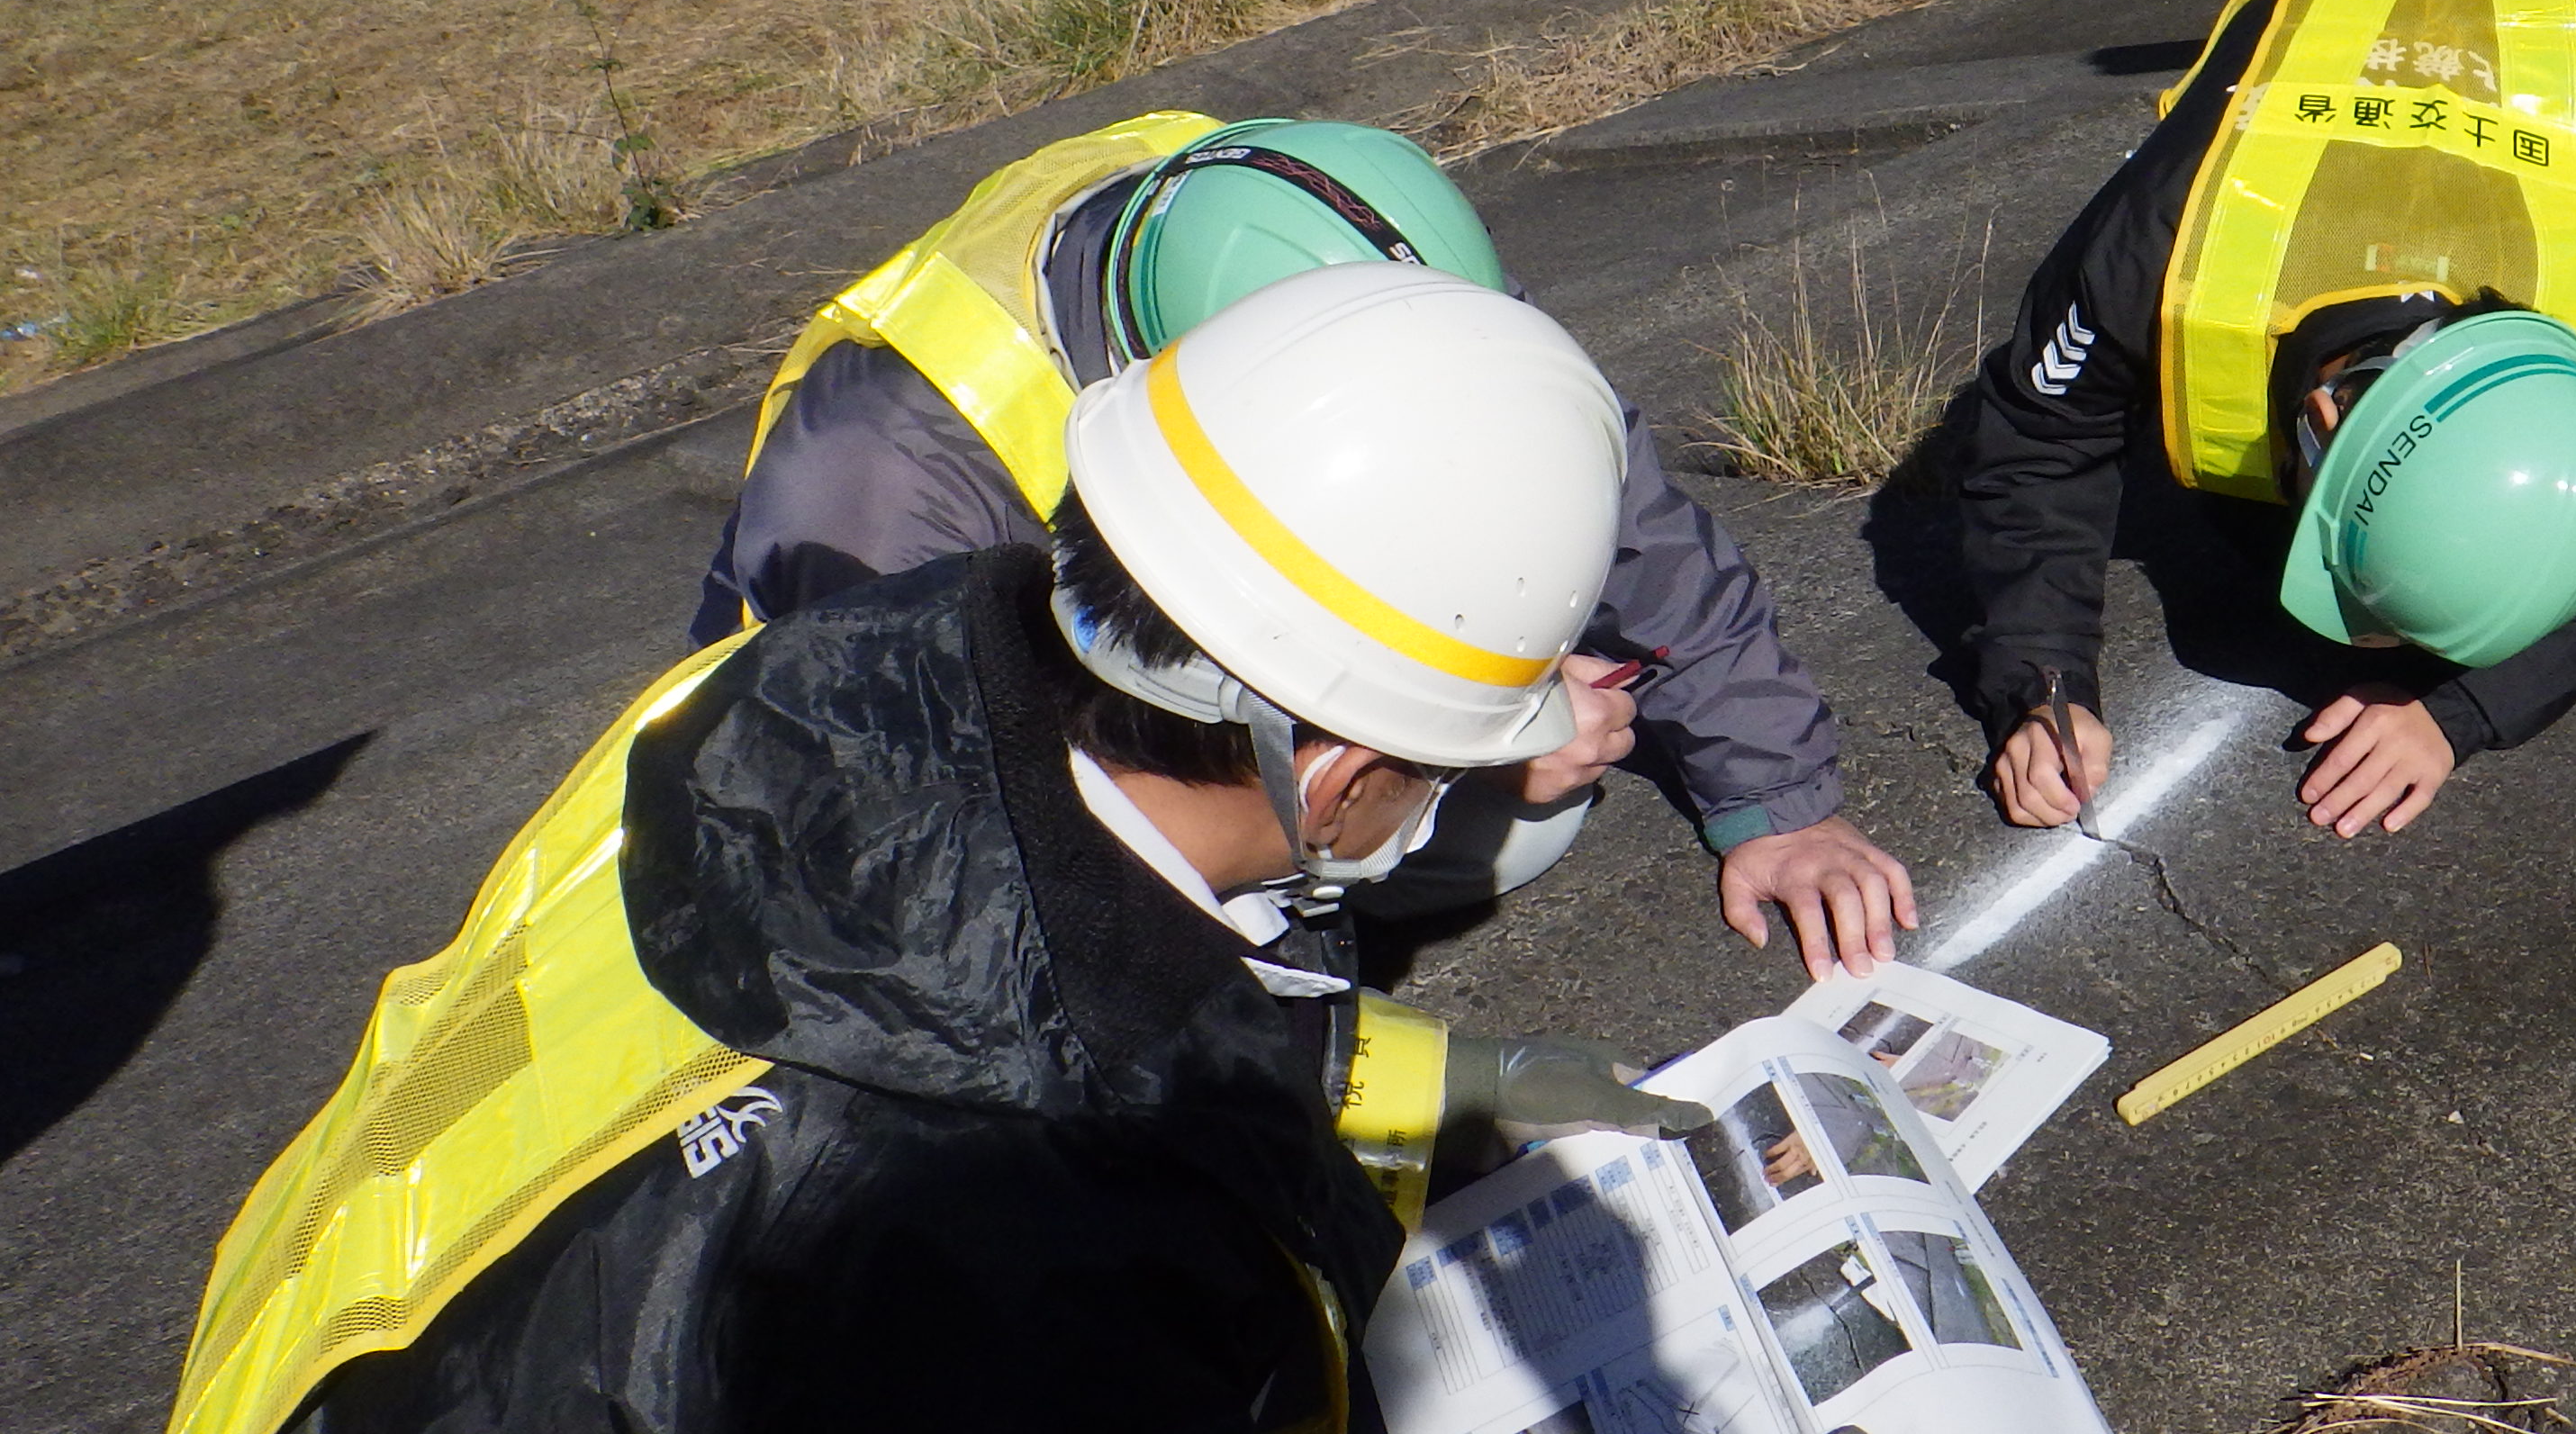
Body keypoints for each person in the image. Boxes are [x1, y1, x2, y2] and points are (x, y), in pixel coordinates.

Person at [168, 266, 1712, 1434]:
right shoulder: (1069, 1257)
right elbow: (1052, 1063)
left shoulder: (802, 687)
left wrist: (1442, 1088)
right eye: (1451, 769)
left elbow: (1029, 969)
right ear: (1343, 774)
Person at [695, 110, 1916, 977]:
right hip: (954, 758)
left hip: (1140, 675)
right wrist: (1441, 754)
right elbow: (921, 846)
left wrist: (1775, 795)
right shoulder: (877, 499)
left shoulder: (1306, 231)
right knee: (1479, 810)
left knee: (1529, 812)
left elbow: (1611, 502)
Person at [1953, 0, 2576, 838]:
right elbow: (2040, 436)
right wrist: (2043, 681)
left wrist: (2457, 713)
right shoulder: (2156, 256)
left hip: (2558, 93)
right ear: (2321, 409)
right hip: (2329, 67)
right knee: (2237, 517)